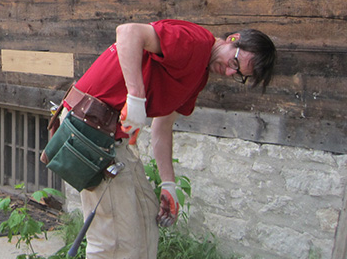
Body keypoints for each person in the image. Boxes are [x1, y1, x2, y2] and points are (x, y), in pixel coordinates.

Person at [63, 19, 276, 259]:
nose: (228, 72)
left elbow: (162, 127)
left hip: (111, 137)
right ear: (233, 39)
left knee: (146, 217)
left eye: (238, 74)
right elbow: (128, 32)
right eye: (234, 63)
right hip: (88, 125)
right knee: (114, 240)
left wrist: (168, 184)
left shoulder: (199, 76)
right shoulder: (195, 42)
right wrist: (136, 96)